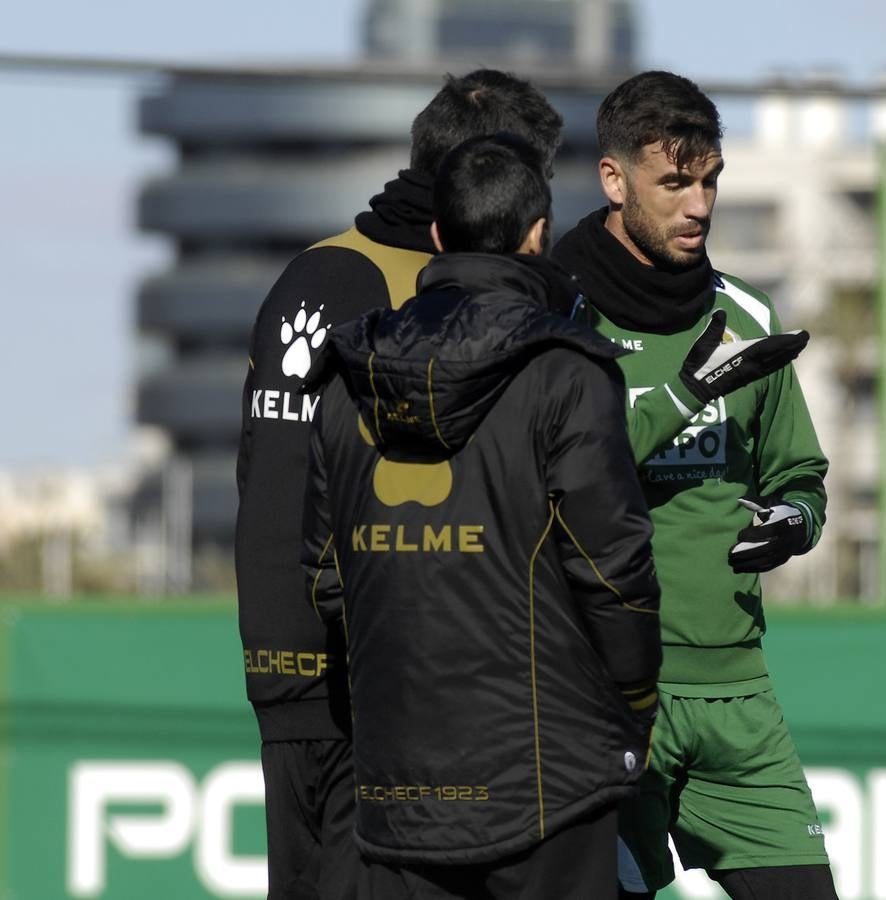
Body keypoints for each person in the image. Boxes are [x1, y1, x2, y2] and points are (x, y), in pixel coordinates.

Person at [300, 134, 662, 899]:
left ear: (437, 235)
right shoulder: (568, 369)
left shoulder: (342, 379)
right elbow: (614, 575)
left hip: (399, 784)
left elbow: (328, 581)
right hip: (549, 788)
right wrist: (634, 708)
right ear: (539, 235)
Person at [234, 70, 562, 898]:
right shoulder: (427, 295)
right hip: (373, 669)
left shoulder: (311, 270)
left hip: (278, 659)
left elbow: (260, 466)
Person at [551, 70, 838, 900]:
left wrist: (792, 520)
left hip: (738, 695)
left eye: (710, 181)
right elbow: (562, 482)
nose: (699, 206)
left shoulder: (745, 317)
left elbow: (803, 476)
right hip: (609, 695)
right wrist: (684, 394)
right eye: (674, 182)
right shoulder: (563, 319)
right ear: (615, 179)